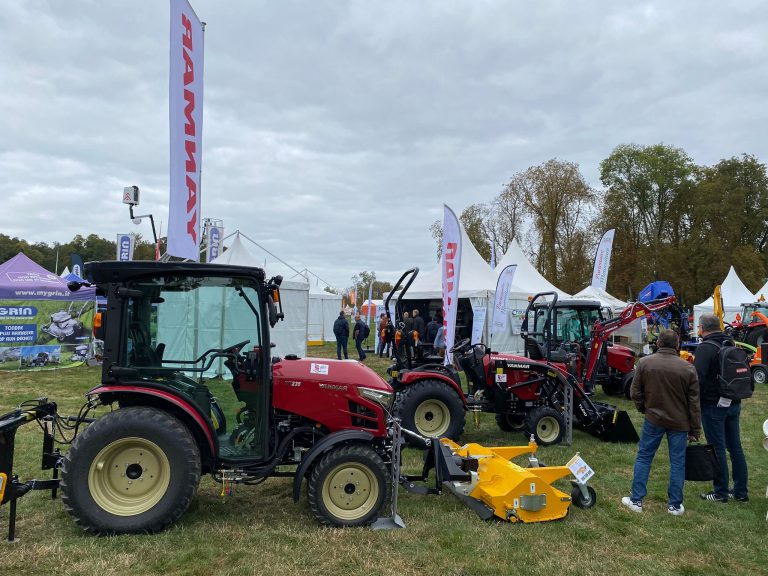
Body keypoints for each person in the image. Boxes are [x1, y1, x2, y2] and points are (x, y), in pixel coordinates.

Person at [622, 329, 700, 516]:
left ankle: (636, 500)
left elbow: (635, 393)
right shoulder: (688, 368)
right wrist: (695, 429)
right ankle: (674, 505)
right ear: (677, 345)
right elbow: (694, 404)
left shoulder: (645, 363)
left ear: (658, 343)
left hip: (654, 419)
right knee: (677, 462)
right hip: (679, 422)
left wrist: (644, 409)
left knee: (644, 457)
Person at [693, 313, 749, 503]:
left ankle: (720, 493)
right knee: (735, 447)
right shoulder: (730, 343)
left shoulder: (705, 347)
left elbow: (697, 379)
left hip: (713, 405)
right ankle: (740, 492)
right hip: (734, 400)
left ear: (702, 328)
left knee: (717, 449)